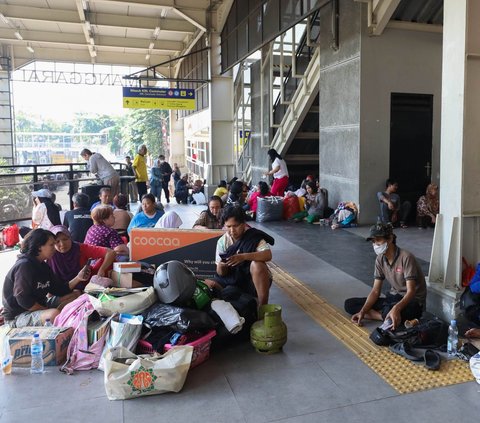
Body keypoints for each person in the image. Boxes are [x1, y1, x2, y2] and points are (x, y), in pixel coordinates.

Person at [344, 223, 426, 331]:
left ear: (390, 238)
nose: (375, 245)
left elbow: (411, 292)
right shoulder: (380, 259)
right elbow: (375, 291)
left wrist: (396, 308)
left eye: (378, 240)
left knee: (397, 310)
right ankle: (385, 316)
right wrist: (362, 312)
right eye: (373, 242)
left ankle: (388, 314)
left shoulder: (406, 257)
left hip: (411, 302)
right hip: (393, 298)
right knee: (349, 304)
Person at [1, 229, 88, 327]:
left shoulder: (43, 266)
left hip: (40, 305)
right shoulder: (24, 266)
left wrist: (79, 278)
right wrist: (45, 310)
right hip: (19, 315)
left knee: (76, 294)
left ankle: (61, 318)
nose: (55, 248)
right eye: (51, 245)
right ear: (39, 247)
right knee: (53, 314)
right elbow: (23, 300)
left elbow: (59, 290)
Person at [204, 206, 274, 306]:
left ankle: (263, 306)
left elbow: (268, 255)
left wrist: (243, 256)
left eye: (235, 226)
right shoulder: (222, 242)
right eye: (228, 227)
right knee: (208, 284)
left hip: (252, 280)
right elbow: (221, 273)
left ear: (243, 224)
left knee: (258, 265)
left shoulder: (253, 236)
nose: (232, 230)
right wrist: (221, 266)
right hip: (233, 278)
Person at [47, 225, 116, 291]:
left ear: (70, 238)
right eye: (57, 241)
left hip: (82, 284)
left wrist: (102, 269)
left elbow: (111, 252)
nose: (62, 244)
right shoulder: (50, 253)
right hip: (59, 288)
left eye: (65, 239)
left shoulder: (79, 248)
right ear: (53, 243)